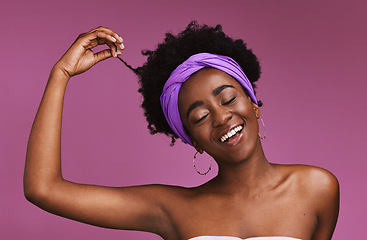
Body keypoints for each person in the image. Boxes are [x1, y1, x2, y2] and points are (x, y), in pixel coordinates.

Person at [24, 22, 339, 240]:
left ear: (253, 104)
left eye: (228, 98)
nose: (221, 117)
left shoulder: (317, 188)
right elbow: (43, 189)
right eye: (200, 117)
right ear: (193, 141)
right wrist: (61, 75)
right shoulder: (170, 208)